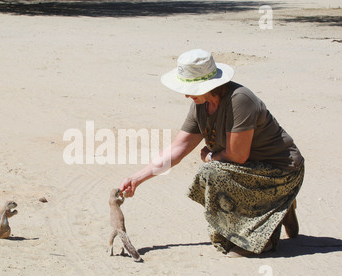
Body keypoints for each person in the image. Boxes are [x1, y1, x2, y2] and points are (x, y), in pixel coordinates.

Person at [119, 49, 305, 257]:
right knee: (216, 171)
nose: (186, 94)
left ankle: (265, 236)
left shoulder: (240, 100)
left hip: (281, 171)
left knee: (213, 172)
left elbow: (237, 157)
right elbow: (177, 150)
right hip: (250, 171)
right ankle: (276, 208)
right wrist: (137, 179)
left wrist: (209, 156)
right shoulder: (200, 104)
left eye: (190, 88)